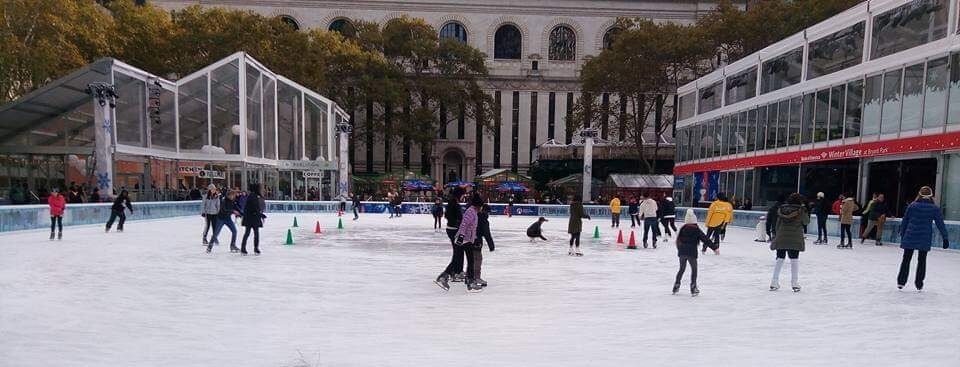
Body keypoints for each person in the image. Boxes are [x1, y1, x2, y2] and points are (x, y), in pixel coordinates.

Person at [897, 186, 950, 291]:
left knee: (906, 259)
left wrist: (903, 235)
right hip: (924, 237)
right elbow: (940, 224)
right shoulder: (934, 208)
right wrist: (945, 238)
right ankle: (919, 283)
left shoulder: (912, 206)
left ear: (919, 194)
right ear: (931, 196)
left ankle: (901, 282)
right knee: (922, 260)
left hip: (910, 235)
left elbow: (905, 221)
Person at [769, 193, 809, 292]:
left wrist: (776, 235)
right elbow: (806, 222)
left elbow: (777, 224)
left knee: (780, 259)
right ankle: (794, 283)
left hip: (782, 236)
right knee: (794, 260)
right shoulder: (801, 211)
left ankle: (774, 281)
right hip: (795, 238)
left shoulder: (781, 210)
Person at [674, 209, 718, 296]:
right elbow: (705, 239)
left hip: (682, 251)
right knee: (694, 269)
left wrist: (680, 250)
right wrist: (714, 248)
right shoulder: (696, 229)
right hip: (691, 252)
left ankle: (676, 285)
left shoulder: (682, 228)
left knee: (681, 269)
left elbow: (677, 241)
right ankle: (693, 287)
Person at [435, 187, 466, 291]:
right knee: (458, 253)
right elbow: (449, 216)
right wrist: (458, 223)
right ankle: (445, 274)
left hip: (454, 230)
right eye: (463, 195)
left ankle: (456, 272)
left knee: (459, 251)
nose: (464, 197)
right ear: (459, 195)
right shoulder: (453, 204)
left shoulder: (453, 203)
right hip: (454, 230)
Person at [457, 194, 483, 292]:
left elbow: (472, 228)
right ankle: (470, 282)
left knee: (470, 260)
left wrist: (475, 238)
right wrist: (461, 236)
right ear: (478, 205)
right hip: (465, 239)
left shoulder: (474, 212)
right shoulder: (470, 212)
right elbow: (464, 224)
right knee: (470, 261)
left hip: (469, 239)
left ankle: (469, 280)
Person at [240, 184, 265, 256]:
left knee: (253, 233)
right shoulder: (252, 196)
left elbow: (256, 208)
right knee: (250, 233)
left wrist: (260, 214)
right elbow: (254, 208)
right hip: (251, 218)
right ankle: (246, 248)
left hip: (253, 217)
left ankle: (254, 248)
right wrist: (260, 214)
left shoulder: (254, 196)